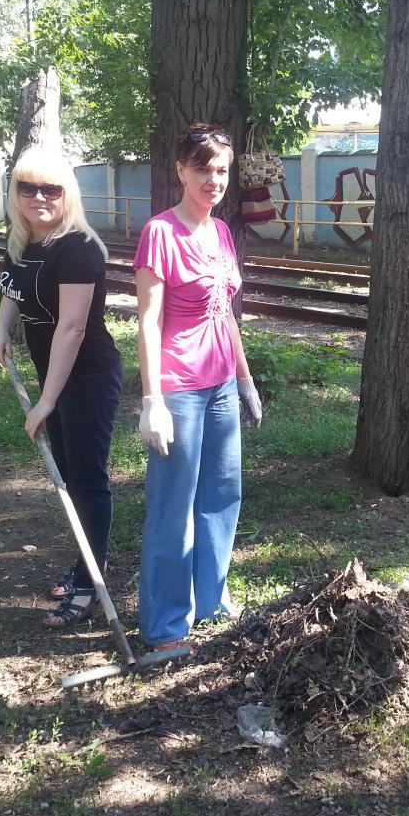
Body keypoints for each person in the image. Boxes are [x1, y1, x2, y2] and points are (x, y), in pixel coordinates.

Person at [133, 122, 263, 652]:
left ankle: (211, 598)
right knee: (174, 505)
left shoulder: (222, 233)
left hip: (220, 387)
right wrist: (151, 402)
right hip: (179, 388)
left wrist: (245, 377)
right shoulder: (160, 233)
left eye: (222, 170)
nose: (214, 179)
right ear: (181, 170)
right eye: (204, 168)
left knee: (221, 496)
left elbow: (226, 312)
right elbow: (147, 321)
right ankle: (166, 625)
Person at [0, 145, 124, 628]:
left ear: (67, 193)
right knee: (67, 475)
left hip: (86, 377)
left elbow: (72, 329)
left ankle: (91, 584)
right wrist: (2, 327)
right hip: (55, 374)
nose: (39, 197)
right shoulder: (24, 239)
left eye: (51, 188)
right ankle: (83, 563)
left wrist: (47, 401)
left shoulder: (78, 248)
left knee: (86, 480)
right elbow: (13, 285)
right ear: (16, 193)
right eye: (28, 187)